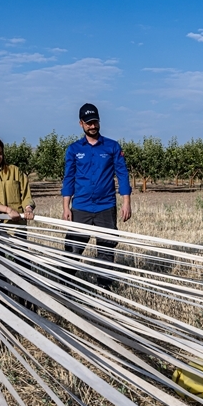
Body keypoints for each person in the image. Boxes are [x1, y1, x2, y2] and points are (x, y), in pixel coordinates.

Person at [61, 103, 132, 286]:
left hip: (105, 206)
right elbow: (69, 178)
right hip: (81, 206)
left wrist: (126, 202)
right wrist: (66, 207)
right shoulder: (74, 149)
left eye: (95, 122)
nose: (92, 126)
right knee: (73, 247)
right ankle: (65, 284)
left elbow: (122, 174)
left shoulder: (112, 147)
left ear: (99, 122)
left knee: (106, 247)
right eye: (88, 123)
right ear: (81, 124)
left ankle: (104, 286)